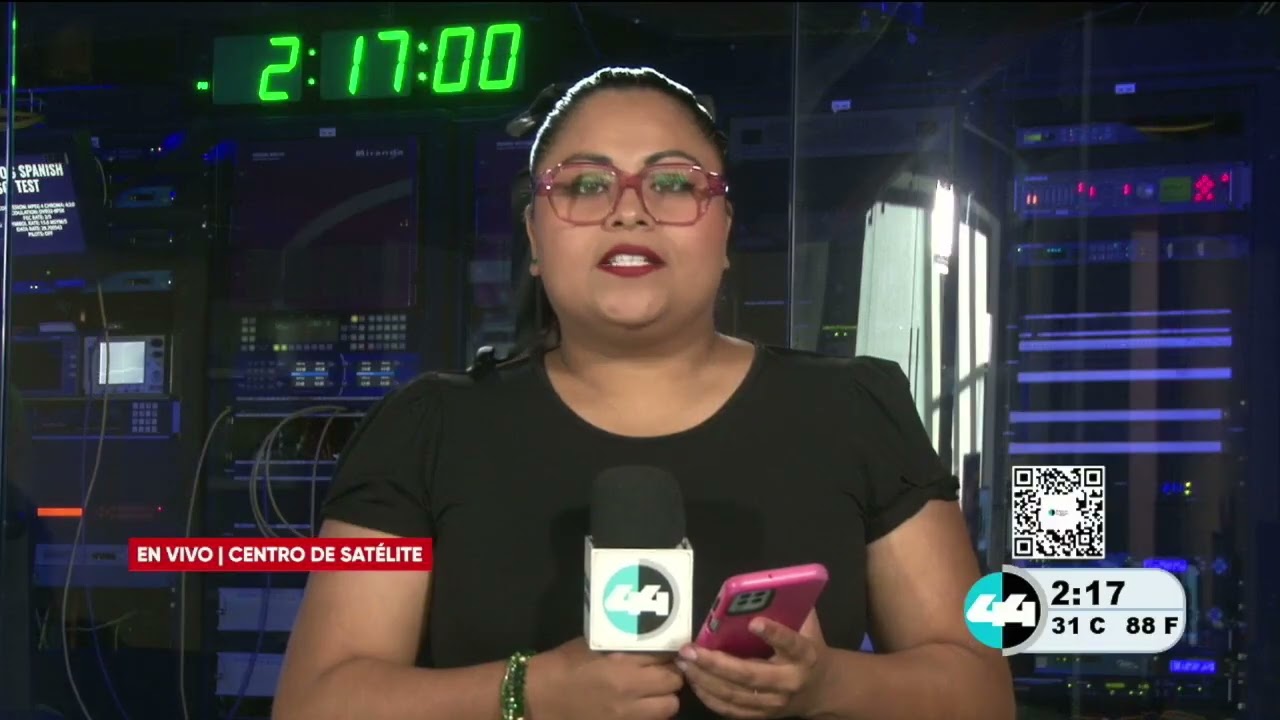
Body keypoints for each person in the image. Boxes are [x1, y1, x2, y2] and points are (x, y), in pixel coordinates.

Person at [272, 67, 1014, 720]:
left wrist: (829, 685)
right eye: (586, 184)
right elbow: (316, 702)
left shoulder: (855, 410)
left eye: (673, 183)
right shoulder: (428, 429)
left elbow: (981, 693)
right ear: (535, 238)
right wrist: (529, 693)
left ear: (725, 233)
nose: (630, 210)